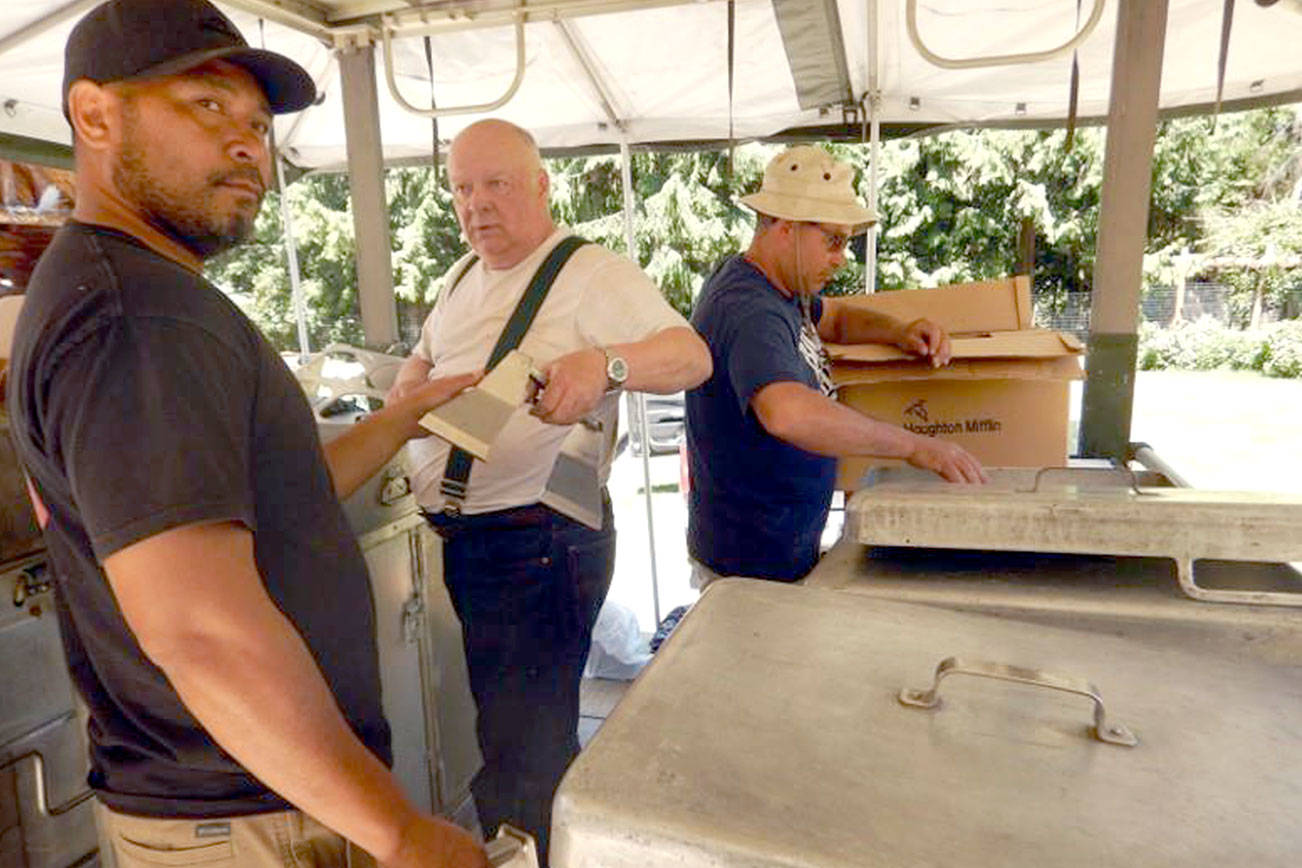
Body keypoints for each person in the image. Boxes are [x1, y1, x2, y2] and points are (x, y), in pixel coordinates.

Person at [5, 2, 489, 866]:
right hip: (246, 818)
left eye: (259, 125)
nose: (248, 146)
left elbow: (282, 493)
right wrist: (398, 830)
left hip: (250, 800)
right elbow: (200, 629)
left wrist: (402, 416)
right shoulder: (140, 318)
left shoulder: (124, 288)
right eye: (205, 106)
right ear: (94, 115)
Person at [388, 118, 711, 860]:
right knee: (512, 736)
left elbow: (690, 356)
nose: (478, 205)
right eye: (463, 189)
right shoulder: (462, 275)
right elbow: (426, 353)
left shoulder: (589, 273)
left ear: (542, 185)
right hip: (479, 545)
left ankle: (535, 850)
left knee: (523, 753)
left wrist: (605, 366)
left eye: (497, 184)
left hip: (535, 545)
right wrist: (410, 386)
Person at [686, 146, 987, 586]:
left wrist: (898, 330)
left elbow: (839, 318)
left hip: (776, 554)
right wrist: (914, 447)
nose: (841, 257)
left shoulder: (780, 290)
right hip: (749, 573)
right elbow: (788, 412)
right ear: (786, 228)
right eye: (833, 240)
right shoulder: (751, 310)